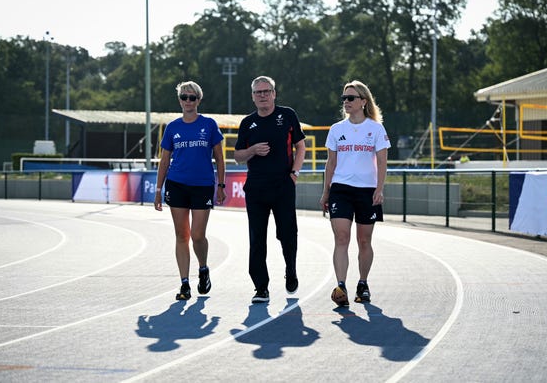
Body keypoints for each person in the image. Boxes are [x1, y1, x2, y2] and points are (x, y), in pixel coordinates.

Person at [234, 75, 306, 303]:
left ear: (274, 93)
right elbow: (237, 156)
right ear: (253, 97)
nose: (263, 95)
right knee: (257, 239)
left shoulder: (287, 115)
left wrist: (294, 174)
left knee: (287, 234)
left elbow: (300, 146)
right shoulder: (247, 123)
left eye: (267, 91)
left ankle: (291, 270)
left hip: (283, 185)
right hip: (256, 188)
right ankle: (260, 287)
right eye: (258, 92)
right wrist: (252, 150)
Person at [319, 80, 391, 307]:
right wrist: (326, 192)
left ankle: (363, 283)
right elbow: (330, 164)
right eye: (344, 98)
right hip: (341, 189)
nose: (346, 102)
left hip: (367, 191)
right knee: (341, 237)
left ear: (363, 101)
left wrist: (379, 189)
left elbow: (382, 161)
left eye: (351, 98)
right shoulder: (336, 129)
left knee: (364, 240)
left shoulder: (376, 129)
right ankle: (341, 285)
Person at [154, 80, 226, 301]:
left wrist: (220, 185)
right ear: (179, 100)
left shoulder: (209, 125)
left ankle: (203, 268)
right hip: (177, 184)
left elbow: (220, 158)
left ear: (198, 100)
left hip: (202, 185)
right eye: (184, 97)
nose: (188, 101)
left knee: (197, 235)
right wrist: (158, 189)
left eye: (192, 97)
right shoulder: (173, 127)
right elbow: (164, 161)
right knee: (181, 235)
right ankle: (184, 283)